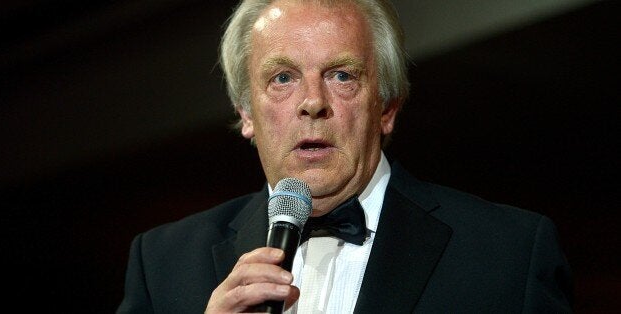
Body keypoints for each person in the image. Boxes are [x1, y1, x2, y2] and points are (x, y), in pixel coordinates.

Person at [117, 0, 573, 313]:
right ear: (246, 111)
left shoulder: (509, 254)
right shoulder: (163, 264)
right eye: (282, 78)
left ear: (387, 106)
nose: (312, 102)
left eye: (341, 74)